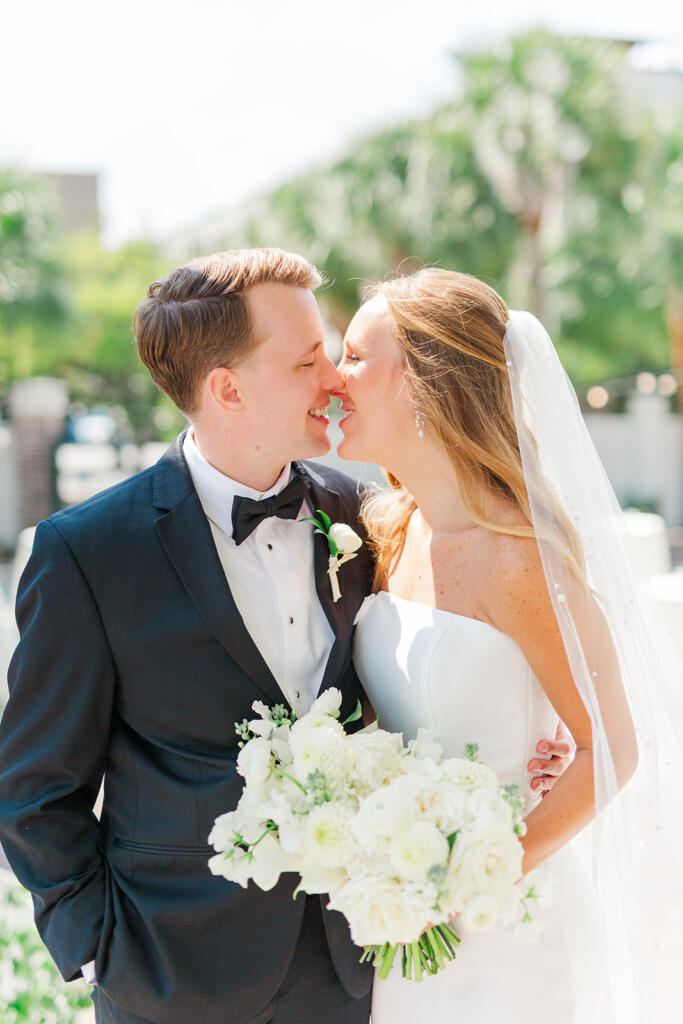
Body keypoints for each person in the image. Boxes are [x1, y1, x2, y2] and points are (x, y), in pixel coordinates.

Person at [0, 250, 567, 1024]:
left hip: (354, 968)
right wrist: (98, 949)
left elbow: (428, 675)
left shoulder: (367, 518)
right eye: (308, 360)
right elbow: (35, 790)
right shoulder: (88, 553)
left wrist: (525, 738)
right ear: (228, 388)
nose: (335, 379)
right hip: (168, 976)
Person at [337, 268, 683, 1023]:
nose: (335, 378)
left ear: (422, 384)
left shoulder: (516, 555)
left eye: (356, 358)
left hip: (504, 932)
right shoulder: (389, 531)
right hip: (400, 924)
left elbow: (611, 749)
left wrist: (454, 887)